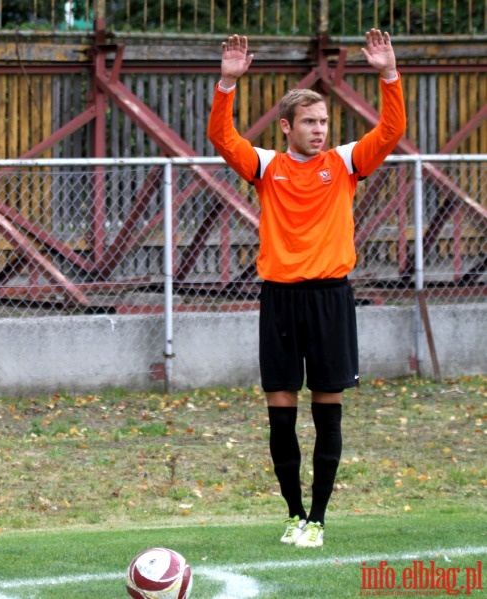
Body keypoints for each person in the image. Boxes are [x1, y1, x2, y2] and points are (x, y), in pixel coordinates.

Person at [207, 30, 406, 548]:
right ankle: (294, 513)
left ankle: (318, 519)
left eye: (323, 122)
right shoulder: (267, 166)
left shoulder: (343, 163)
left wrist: (389, 75)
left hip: (330, 299)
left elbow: (391, 130)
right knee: (280, 410)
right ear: (287, 126)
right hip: (279, 299)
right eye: (310, 123)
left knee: (327, 409)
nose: (319, 131)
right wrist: (227, 84)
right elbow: (222, 139)